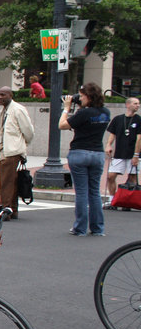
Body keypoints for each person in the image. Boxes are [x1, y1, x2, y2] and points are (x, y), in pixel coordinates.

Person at [60, 82, 110, 236]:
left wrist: (67, 108)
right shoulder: (105, 112)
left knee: (81, 192)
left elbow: (62, 125)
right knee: (94, 192)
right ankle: (97, 228)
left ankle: (80, 228)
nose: (79, 99)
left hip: (79, 152)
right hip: (97, 153)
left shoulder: (83, 114)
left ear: (88, 96)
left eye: (81, 96)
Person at [0, 85, 35, 220]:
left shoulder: (18, 110)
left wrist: (21, 146)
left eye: (3, 95)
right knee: (10, 182)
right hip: (5, 151)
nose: (0, 97)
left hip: (12, 151)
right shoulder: (4, 111)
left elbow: (28, 131)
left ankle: (5, 210)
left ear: (10, 95)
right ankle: (12, 209)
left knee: (6, 183)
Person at [103, 97, 141, 209]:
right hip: (119, 153)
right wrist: (108, 145)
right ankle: (112, 200)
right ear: (128, 105)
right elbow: (112, 134)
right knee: (111, 176)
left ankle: (128, 202)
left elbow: (139, 139)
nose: (138, 106)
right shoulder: (118, 119)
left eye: (138, 104)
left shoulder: (139, 120)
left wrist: (136, 155)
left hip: (133, 153)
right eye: (135, 103)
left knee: (132, 177)